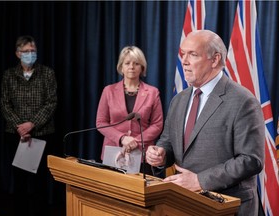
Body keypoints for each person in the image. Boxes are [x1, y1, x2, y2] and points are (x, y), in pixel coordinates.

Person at [146, 30, 265, 216]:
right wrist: (160, 155)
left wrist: (200, 181)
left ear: (215, 59)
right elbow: (168, 142)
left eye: (192, 54)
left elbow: (251, 160)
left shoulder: (243, 101)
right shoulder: (179, 100)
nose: (184, 61)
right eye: (183, 54)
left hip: (227, 206)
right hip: (182, 203)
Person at [0, 35, 57, 216]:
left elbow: (51, 102)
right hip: (15, 135)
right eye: (26, 51)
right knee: (19, 181)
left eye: (33, 51)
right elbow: (4, 103)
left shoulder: (47, 73)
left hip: (41, 133)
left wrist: (32, 124)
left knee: (40, 181)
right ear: (18, 54)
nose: (30, 54)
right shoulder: (9, 75)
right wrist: (20, 126)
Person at [96, 46, 164, 175]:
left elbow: (157, 124)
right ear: (121, 67)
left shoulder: (152, 92)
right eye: (127, 63)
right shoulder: (108, 91)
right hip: (113, 153)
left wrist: (136, 141)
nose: (131, 67)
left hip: (142, 155)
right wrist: (121, 138)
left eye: (136, 63)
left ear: (142, 67)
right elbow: (101, 122)